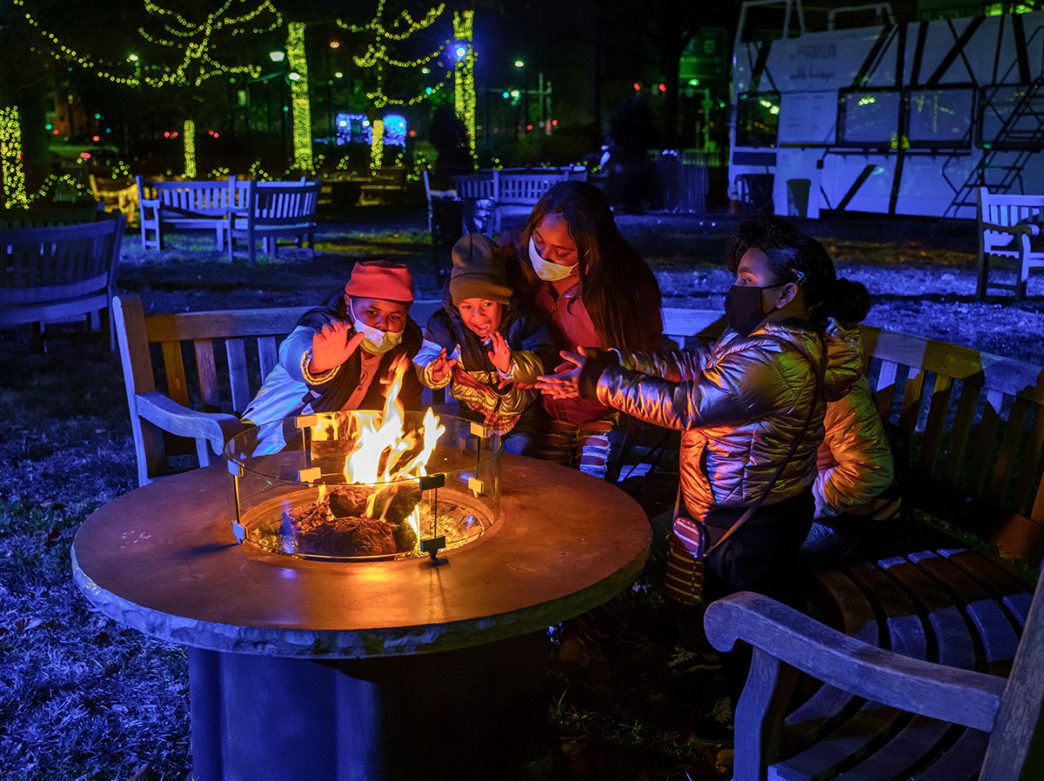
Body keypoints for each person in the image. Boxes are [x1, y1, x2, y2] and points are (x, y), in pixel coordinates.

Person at [536, 217, 868, 610]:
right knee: (714, 596)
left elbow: (688, 406)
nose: (736, 288)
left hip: (752, 518)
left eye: (746, 279)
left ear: (787, 293)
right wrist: (617, 361)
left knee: (744, 608)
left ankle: (766, 647)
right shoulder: (756, 336)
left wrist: (601, 381)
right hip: (731, 499)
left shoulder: (777, 360)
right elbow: (696, 364)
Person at [503, 180, 664, 479]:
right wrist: (521, 369)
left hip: (604, 411)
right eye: (539, 241)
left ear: (591, 248)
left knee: (591, 488)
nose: (544, 256)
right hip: (547, 411)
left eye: (561, 251)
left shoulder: (622, 291)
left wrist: (595, 377)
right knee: (545, 486)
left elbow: (646, 362)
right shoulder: (522, 271)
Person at [241, 259, 424, 444]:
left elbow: (405, 414)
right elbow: (294, 348)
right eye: (372, 313)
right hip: (264, 443)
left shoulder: (402, 352)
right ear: (348, 303)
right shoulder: (327, 330)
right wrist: (316, 366)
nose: (382, 324)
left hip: (331, 450)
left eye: (394, 316)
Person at [413, 233, 555, 455]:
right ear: (456, 306)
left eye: (487, 304)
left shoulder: (523, 323)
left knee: (518, 465)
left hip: (520, 417)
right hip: (472, 414)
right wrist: (434, 372)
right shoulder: (446, 327)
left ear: (503, 301)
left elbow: (544, 361)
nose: (477, 316)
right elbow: (423, 358)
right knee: (473, 461)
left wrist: (511, 365)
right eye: (467, 307)